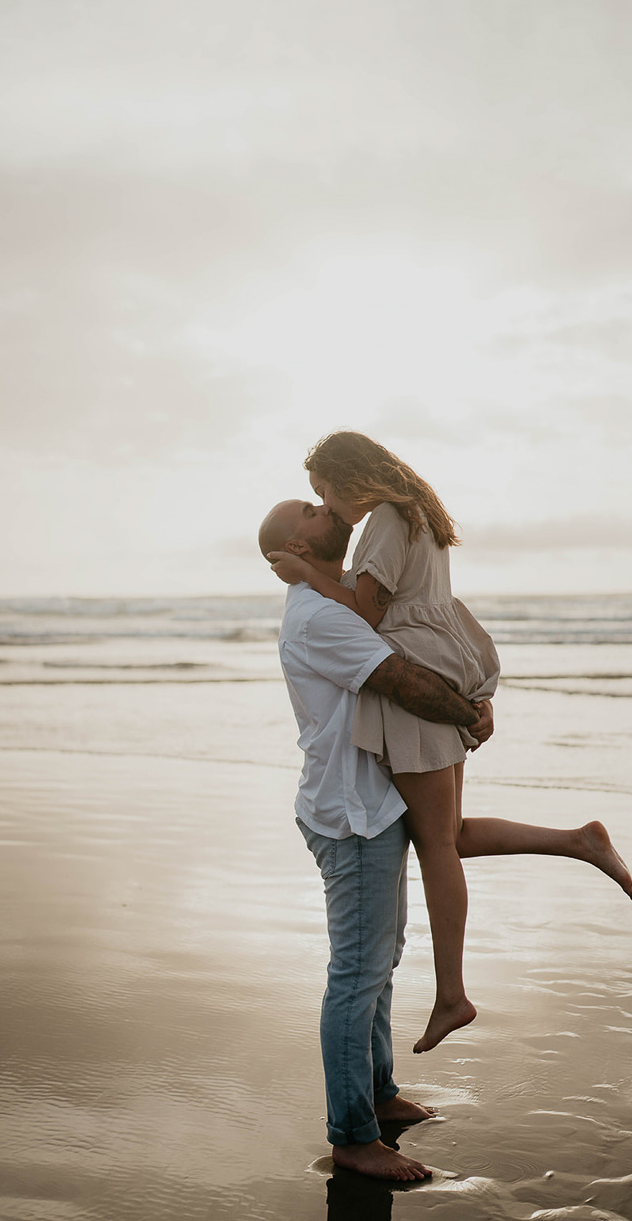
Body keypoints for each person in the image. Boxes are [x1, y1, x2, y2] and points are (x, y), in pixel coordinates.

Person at [268, 431, 632, 1057]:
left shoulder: (386, 517)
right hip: (443, 657)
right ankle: (578, 841)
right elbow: (426, 608)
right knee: (452, 834)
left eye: (323, 491)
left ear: (347, 476)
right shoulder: (418, 511)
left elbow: (369, 612)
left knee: (438, 842)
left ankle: (451, 995)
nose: (327, 506)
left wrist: (305, 572)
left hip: (418, 673)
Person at [259, 496, 494, 1182]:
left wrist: (471, 701)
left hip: (372, 802)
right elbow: (401, 678)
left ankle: (380, 1091)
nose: (324, 505)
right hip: (349, 813)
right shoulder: (319, 615)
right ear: (297, 547)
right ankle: (352, 1137)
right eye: (307, 507)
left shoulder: (333, 600)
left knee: (379, 959)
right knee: (356, 973)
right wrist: (470, 716)